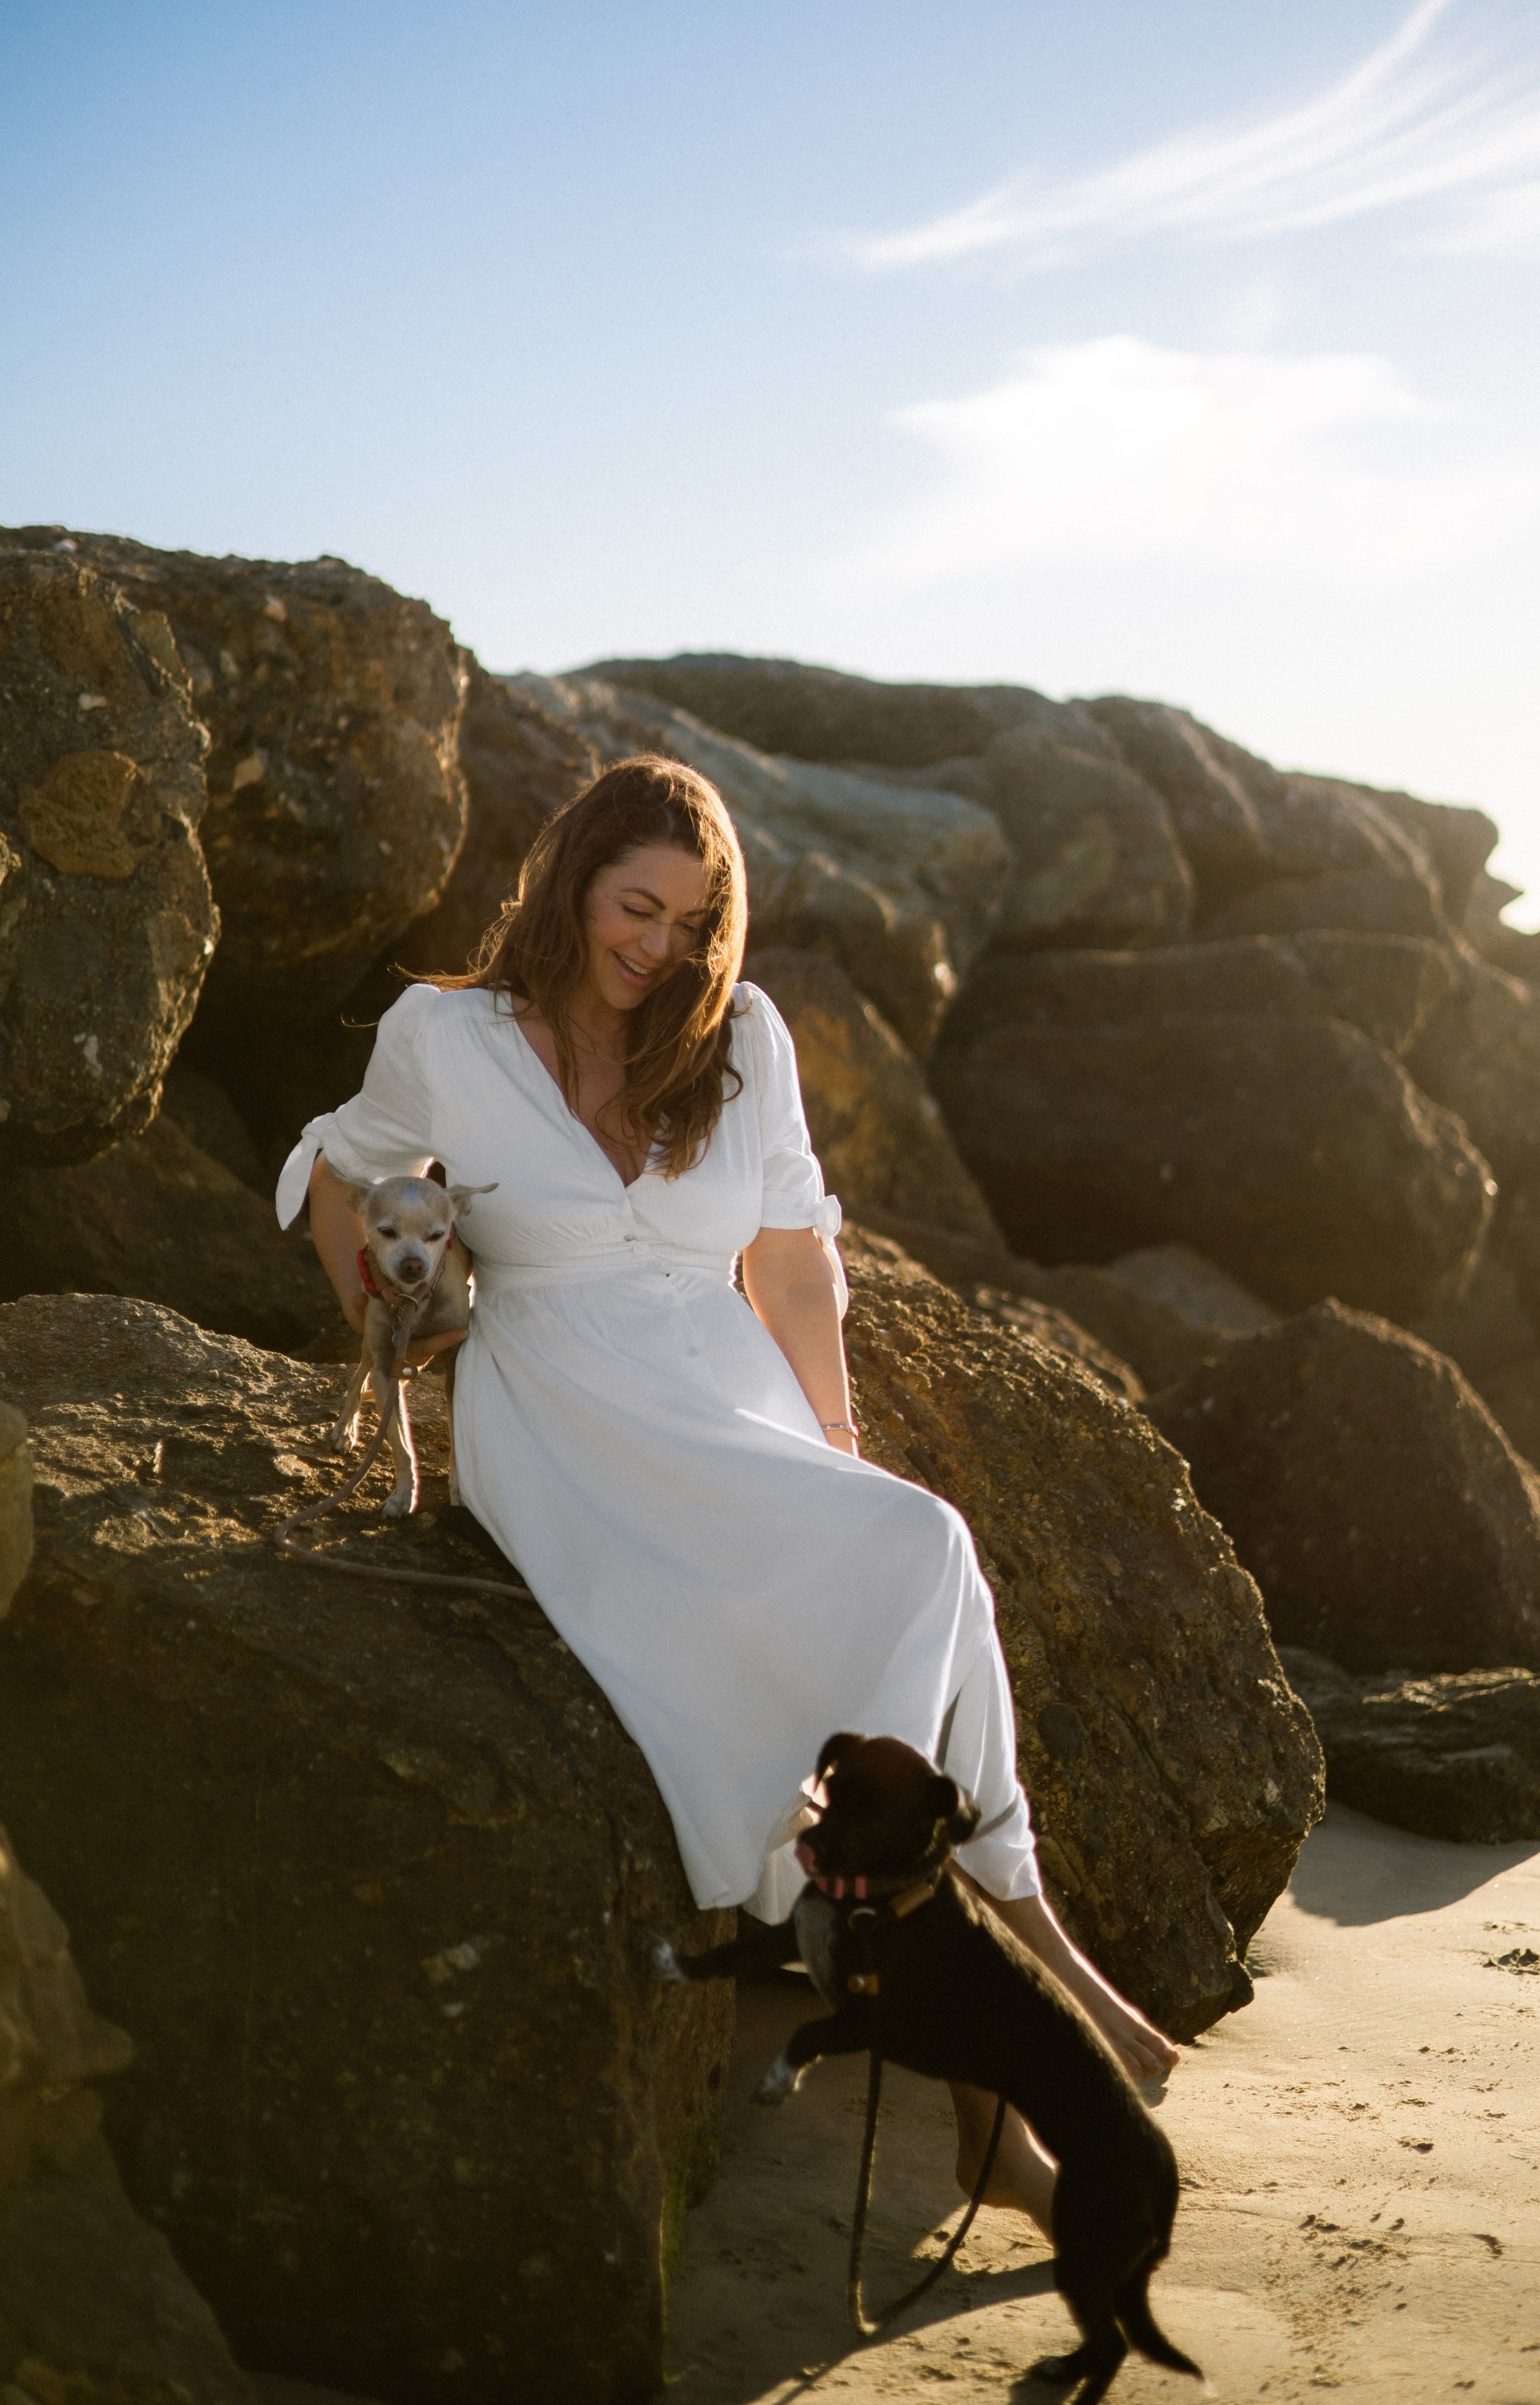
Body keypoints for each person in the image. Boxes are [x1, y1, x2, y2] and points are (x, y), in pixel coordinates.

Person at [276, 753, 1177, 2231]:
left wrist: (834, 1439)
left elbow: (795, 1258)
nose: (660, 947)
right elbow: (338, 1163)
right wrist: (380, 1320)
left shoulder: (741, 1030)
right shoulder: (444, 1032)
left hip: (728, 1396)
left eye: (693, 924)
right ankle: (1036, 1980)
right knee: (926, 1560)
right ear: (572, 877)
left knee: (914, 1557)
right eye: (636, 907)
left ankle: (996, 2082)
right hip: (565, 1411)